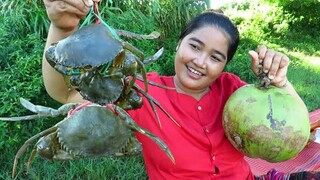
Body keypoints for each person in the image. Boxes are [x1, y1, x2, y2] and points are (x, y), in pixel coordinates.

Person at [42, 0, 308, 179]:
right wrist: (61, 28)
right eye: (194, 46)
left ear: (225, 65)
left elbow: (293, 133)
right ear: (179, 44)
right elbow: (65, 94)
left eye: (216, 57)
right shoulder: (143, 92)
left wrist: (281, 84)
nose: (200, 62)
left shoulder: (235, 91)